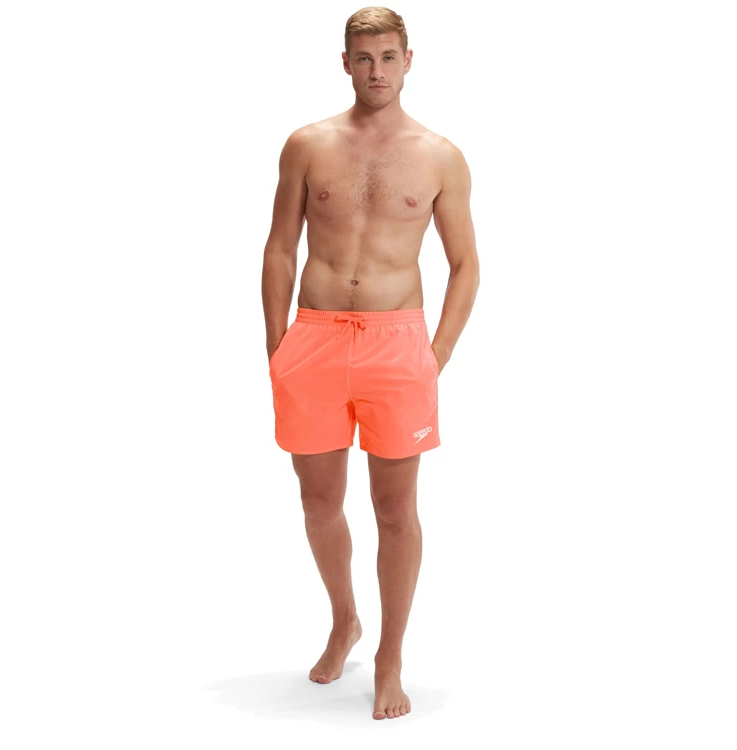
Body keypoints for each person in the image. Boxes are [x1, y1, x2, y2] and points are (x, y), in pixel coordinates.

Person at [261, 6, 479, 721]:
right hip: (315, 339)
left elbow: (466, 265)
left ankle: (390, 658)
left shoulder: (440, 155)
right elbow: (279, 248)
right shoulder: (307, 144)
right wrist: (277, 345)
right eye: (364, 58)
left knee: (395, 510)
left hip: (397, 344)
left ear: (409, 61)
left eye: (388, 57)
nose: (376, 71)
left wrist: (435, 355)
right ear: (345, 63)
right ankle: (344, 619)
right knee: (318, 501)